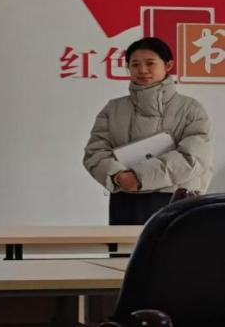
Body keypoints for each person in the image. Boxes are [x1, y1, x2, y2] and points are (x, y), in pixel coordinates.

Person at [83, 37, 214, 225]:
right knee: (127, 245)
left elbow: (193, 158)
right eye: (135, 64)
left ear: (168, 65)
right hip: (126, 200)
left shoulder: (191, 109)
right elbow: (95, 152)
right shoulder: (113, 109)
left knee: (175, 245)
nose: (142, 70)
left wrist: (139, 177)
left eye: (150, 63)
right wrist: (117, 176)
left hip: (176, 200)